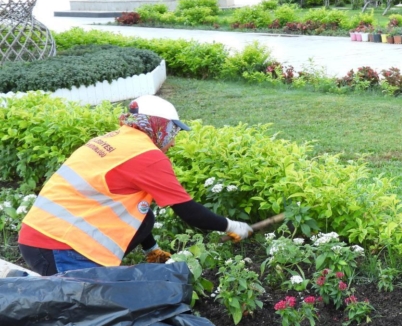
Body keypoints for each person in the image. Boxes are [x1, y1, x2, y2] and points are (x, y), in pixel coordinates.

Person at [18, 95, 254, 276]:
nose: (172, 142)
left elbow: (137, 212)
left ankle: (147, 252)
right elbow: (189, 212)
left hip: (38, 236)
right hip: (62, 249)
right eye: (173, 132)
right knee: (87, 320)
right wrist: (231, 225)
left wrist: (152, 250)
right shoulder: (146, 156)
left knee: (145, 214)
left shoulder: (113, 139)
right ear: (160, 126)